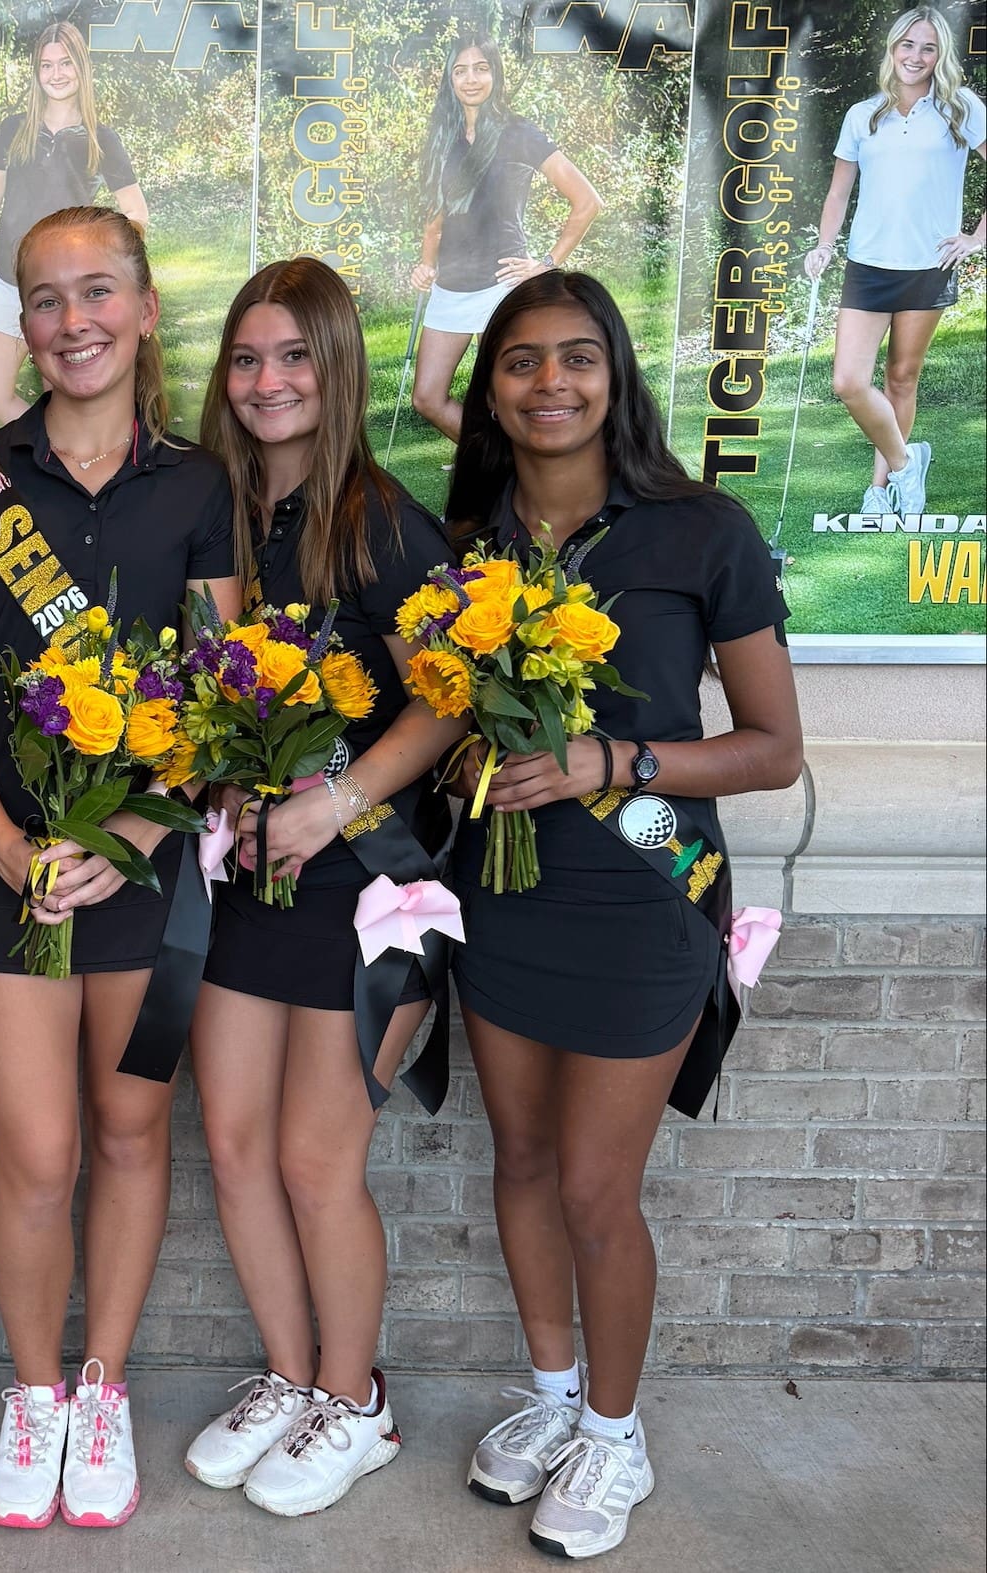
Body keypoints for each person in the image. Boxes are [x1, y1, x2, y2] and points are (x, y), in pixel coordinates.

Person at [443, 271, 802, 1561]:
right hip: (505, 893)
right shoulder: (471, 535)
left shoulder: (700, 529)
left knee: (598, 1186)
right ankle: (547, 1399)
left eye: (577, 358)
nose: (551, 384)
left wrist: (619, 762)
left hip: (649, 890)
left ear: (616, 377)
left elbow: (771, 751)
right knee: (523, 1164)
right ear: (490, 386)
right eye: (523, 361)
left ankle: (613, 1430)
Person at [0, 206, 239, 1530]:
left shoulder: (201, 485)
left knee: (131, 1131)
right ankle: (37, 1393)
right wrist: (2, 844)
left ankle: (106, 1387)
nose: (72, 321)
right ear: (22, 326)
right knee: (37, 1155)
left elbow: (223, 686)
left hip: (146, 878)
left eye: (97, 291)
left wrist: (140, 836)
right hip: (1, 874)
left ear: (147, 308)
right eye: (43, 299)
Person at [183, 257, 467, 1518]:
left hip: (366, 892)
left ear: (340, 366)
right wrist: (238, 794)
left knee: (313, 1159)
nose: (267, 381)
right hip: (248, 883)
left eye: (294, 357)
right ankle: (295, 1377)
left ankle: (358, 1401)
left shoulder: (382, 521)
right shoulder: (217, 518)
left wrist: (331, 804)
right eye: (246, 358)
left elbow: (447, 702)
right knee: (234, 1145)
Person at [805, 6, 985, 515]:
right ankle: (908, 463)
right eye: (908, 45)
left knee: (901, 378)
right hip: (868, 264)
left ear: (940, 54)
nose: (916, 56)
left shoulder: (960, 107)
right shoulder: (863, 115)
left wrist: (976, 237)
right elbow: (839, 193)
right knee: (848, 382)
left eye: (928, 47)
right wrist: (824, 244)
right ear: (892, 49)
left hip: (929, 266)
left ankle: (881, 489)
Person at [0, 22, 147, 425]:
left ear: (81, 67)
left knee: (64, 395)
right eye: (46, 66)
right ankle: (49, 450)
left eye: (65, 63)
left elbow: (136, 213)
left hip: (66, 292)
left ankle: (65, 468)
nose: (56, 74)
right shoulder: (14, 130)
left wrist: (98, 259)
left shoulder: (101, 139)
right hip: (9, 278)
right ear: (36, 72)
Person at [409, 35, 601, 443]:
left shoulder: (519, 133)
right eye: (461, 70)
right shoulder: (444, 135)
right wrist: (427, 262)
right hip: (451, 286)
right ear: (449, 78)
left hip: (502, 284)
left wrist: (546, 263)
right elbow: (436, 212)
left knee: (504, 401)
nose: (471, 78)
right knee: (427, 398)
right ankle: (494, 463)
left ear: (495, 73)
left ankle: (513, 485)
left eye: (481, 68)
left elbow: (587, 201)